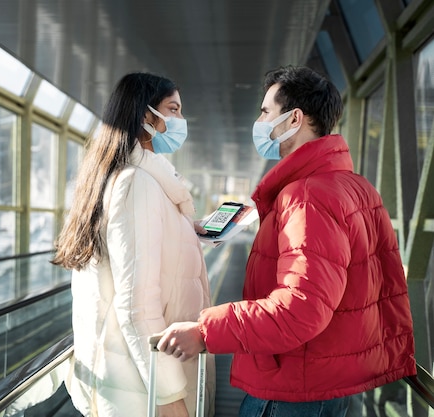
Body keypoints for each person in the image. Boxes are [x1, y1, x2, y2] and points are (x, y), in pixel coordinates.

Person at [155, 65, 417, 417]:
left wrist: (205, 331)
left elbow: (301, 309)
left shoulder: (308, 195)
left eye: (265, 112)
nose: (260, 121)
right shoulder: (356, 187)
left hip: (294, 390)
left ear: (295, 119)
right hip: (328, 380)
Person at [52, 72, 216, 417]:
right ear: (146, 116)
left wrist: (184, 230)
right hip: (144, 392)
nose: (181, 120)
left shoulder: (129, 178)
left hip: (133, 380)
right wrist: (169, 397)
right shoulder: (138, 184)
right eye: (173, 109)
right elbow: (136, 306)